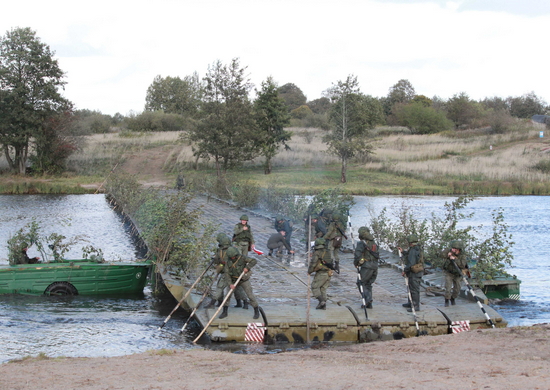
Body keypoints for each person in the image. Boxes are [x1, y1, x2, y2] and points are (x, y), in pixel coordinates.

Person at [219, 247, 260, 320]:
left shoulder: (242, 258)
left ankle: (256, 311)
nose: (232, 258)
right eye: (231, 257)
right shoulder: (228, 262)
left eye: (233, 256)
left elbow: (254, 261)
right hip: (233, 280)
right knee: (227, 296)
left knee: (250, 295)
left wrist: (247, 267)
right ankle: (224, 312)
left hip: (243, 280)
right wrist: (230, 284)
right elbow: (227, 274)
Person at [210, 234, 249, 309]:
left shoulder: (224, 251)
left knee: (220, 287)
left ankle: (213, 303)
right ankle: (243, 302)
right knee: (237, 288)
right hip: (232, 272)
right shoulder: (232, 250)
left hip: (229, 272)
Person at [353, 226, 379, 309]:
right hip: (375, 265)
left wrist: (356, 263)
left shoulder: (361, 243)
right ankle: (369, 302)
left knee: (361, 282)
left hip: (367, 266)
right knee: (368, 283)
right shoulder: (374, 242)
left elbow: (358, 255)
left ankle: (367, 300)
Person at [398, 234, 424, 312]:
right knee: (410, 287)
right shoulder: (416, 248)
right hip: (416, 271)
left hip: (415, 272)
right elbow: (410, 255)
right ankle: (410, 302)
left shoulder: (413, 250)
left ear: (410, 242)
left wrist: (404, 271)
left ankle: (415, 306)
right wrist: (403, 252)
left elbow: (410, 263)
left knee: (414, 289)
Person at [308, 238, 334, 310]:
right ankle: (323, 305)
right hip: (329, 272)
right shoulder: (328, 251)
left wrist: (309, 271)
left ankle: (322, 301)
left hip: (321, 273)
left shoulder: (317, 253)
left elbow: (313, 263)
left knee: (314, 287)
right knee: (323, 288)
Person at [442, 240, 469, 307]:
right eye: (452, 248)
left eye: (454, 249)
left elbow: (462, 265)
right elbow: (441, 254)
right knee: (448, 287)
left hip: (458, 274)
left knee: (457, 288)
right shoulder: (449, 251)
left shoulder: (462, 256)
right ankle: (447, 300)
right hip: (449, 273)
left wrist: (455, 259)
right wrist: (447, 255)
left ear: (458, 249)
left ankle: (453, 298)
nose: (452, 249)